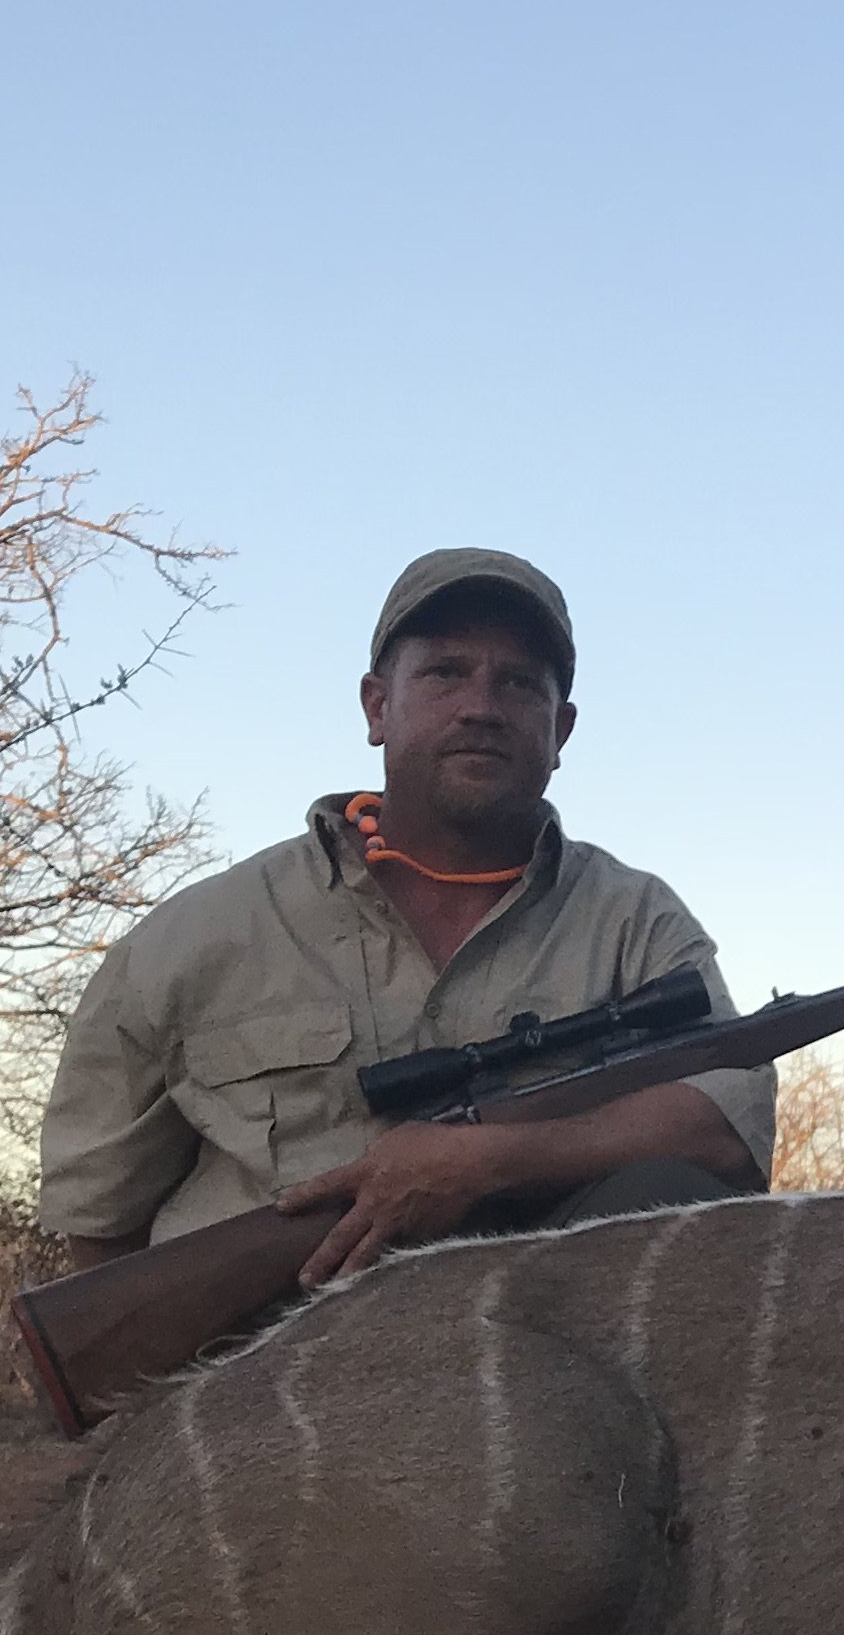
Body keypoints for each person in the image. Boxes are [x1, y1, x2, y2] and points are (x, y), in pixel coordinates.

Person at [37, 548, 770, 1285]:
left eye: (519, 683)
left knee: (674, 1199)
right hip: (262, 1371)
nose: (482, 706)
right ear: (377, 706)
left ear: (562, 730)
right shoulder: (195, 936)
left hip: (543, 1362)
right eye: (445, 672)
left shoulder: (635, 920)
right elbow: (99, 1222)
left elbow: (723, 1126)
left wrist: (485, 1162)